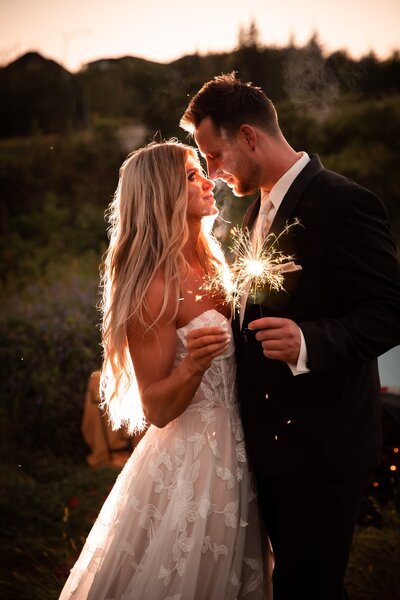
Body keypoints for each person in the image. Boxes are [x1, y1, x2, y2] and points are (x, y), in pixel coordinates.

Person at [180, 73, 400, 600]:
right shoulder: (253, 211)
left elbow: (389, 311)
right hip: (267, 450)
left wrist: (309, 341)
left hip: (325, 451)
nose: (212, 172)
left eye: (214, 155)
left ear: (249, 137)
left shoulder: (345, 202)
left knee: (308, 587)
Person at [59, 141, 272, 600]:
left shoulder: (212, 260)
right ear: (161, 194)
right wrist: (194, 362)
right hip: (196, 466)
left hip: (244, 447)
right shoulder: (155, 283)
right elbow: (155, 406)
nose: (208, 180)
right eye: (192, 175)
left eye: (202, 171)